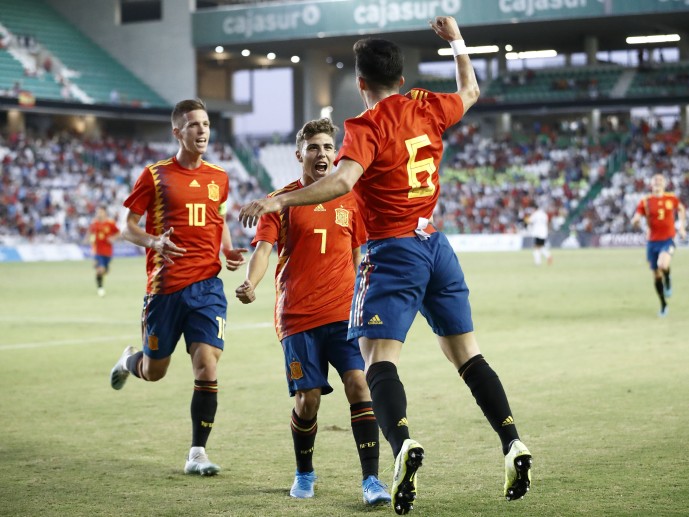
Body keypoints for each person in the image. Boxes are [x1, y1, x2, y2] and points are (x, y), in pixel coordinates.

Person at [239, 16, 532, 515]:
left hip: (394, 250)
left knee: (377, 361)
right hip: (436, 244)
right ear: (401, 77)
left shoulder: (366, 126)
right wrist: (457, 41)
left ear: (360, 83)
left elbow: (341, 182)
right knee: (468, 354)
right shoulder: (426, 105)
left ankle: (402, 447)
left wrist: (279, 201)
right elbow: (471, 91)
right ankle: (512, 441)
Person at [235, 118, 391, 506]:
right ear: (299, 154)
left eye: (328, 147)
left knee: (359, 385)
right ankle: (304, 472)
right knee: (308, 400)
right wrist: (251, 283)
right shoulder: (280, 201)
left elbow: (356, 254)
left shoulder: (350, 198)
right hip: (297, 316)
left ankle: (371, 480)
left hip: (343, 313)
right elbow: (263, 251)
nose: (322, 154)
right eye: (314, 148)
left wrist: (363, 298)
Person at [109, 98, 248, 476]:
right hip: (165, 288)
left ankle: (197, 452)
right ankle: (129, 361)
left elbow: (218, 219)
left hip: (207, 288)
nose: (202, 131)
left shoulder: (219, 177)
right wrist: (154, 242)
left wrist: (227, 249)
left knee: (207, 365)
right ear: (177, 132)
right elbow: (127, 227)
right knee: (155, 370)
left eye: (206, 124)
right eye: (194, 125)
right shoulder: (154, 176)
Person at [631, 173, 686, 317]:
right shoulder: (645, 201)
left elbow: (681, 209)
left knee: (662, 264)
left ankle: (668, 278)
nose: (657, 181)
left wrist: (681, 227)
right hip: (652, 242)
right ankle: (663, 304)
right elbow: (637, 216)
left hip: (668, 239)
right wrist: (635, 221)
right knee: (656, 275)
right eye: (655, 180)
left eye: (660, 180)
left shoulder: (671, 198)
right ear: (651, 184)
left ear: (664, 183)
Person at [88, 206, 120, 297]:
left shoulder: (110, 223)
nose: (99, 214)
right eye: (98, 212)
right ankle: (100, 288)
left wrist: (113, 238)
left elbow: (118, 232)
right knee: (100, 270)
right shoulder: (94, 224)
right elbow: (91, 235)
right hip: (98, 251)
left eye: (101, 212)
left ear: (105, 213)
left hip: (108, 252)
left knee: (104, 271)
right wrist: (92, 248)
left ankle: (104, 269)